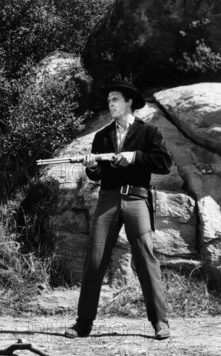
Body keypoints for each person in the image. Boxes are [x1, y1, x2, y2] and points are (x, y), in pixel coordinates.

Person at [65, 81, 172, 340]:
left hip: (137, 198)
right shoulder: (102, 136)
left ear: (129, 103)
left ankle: (160, 322)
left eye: (115, 99)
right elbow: (97, 174)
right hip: (108, 200)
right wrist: (91, 166)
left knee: (146, 259)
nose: (110, 104)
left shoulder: (149, 132)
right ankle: (83, 324)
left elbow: (164, 164)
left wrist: (134, 156)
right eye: (109, 100)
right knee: (94, 259)